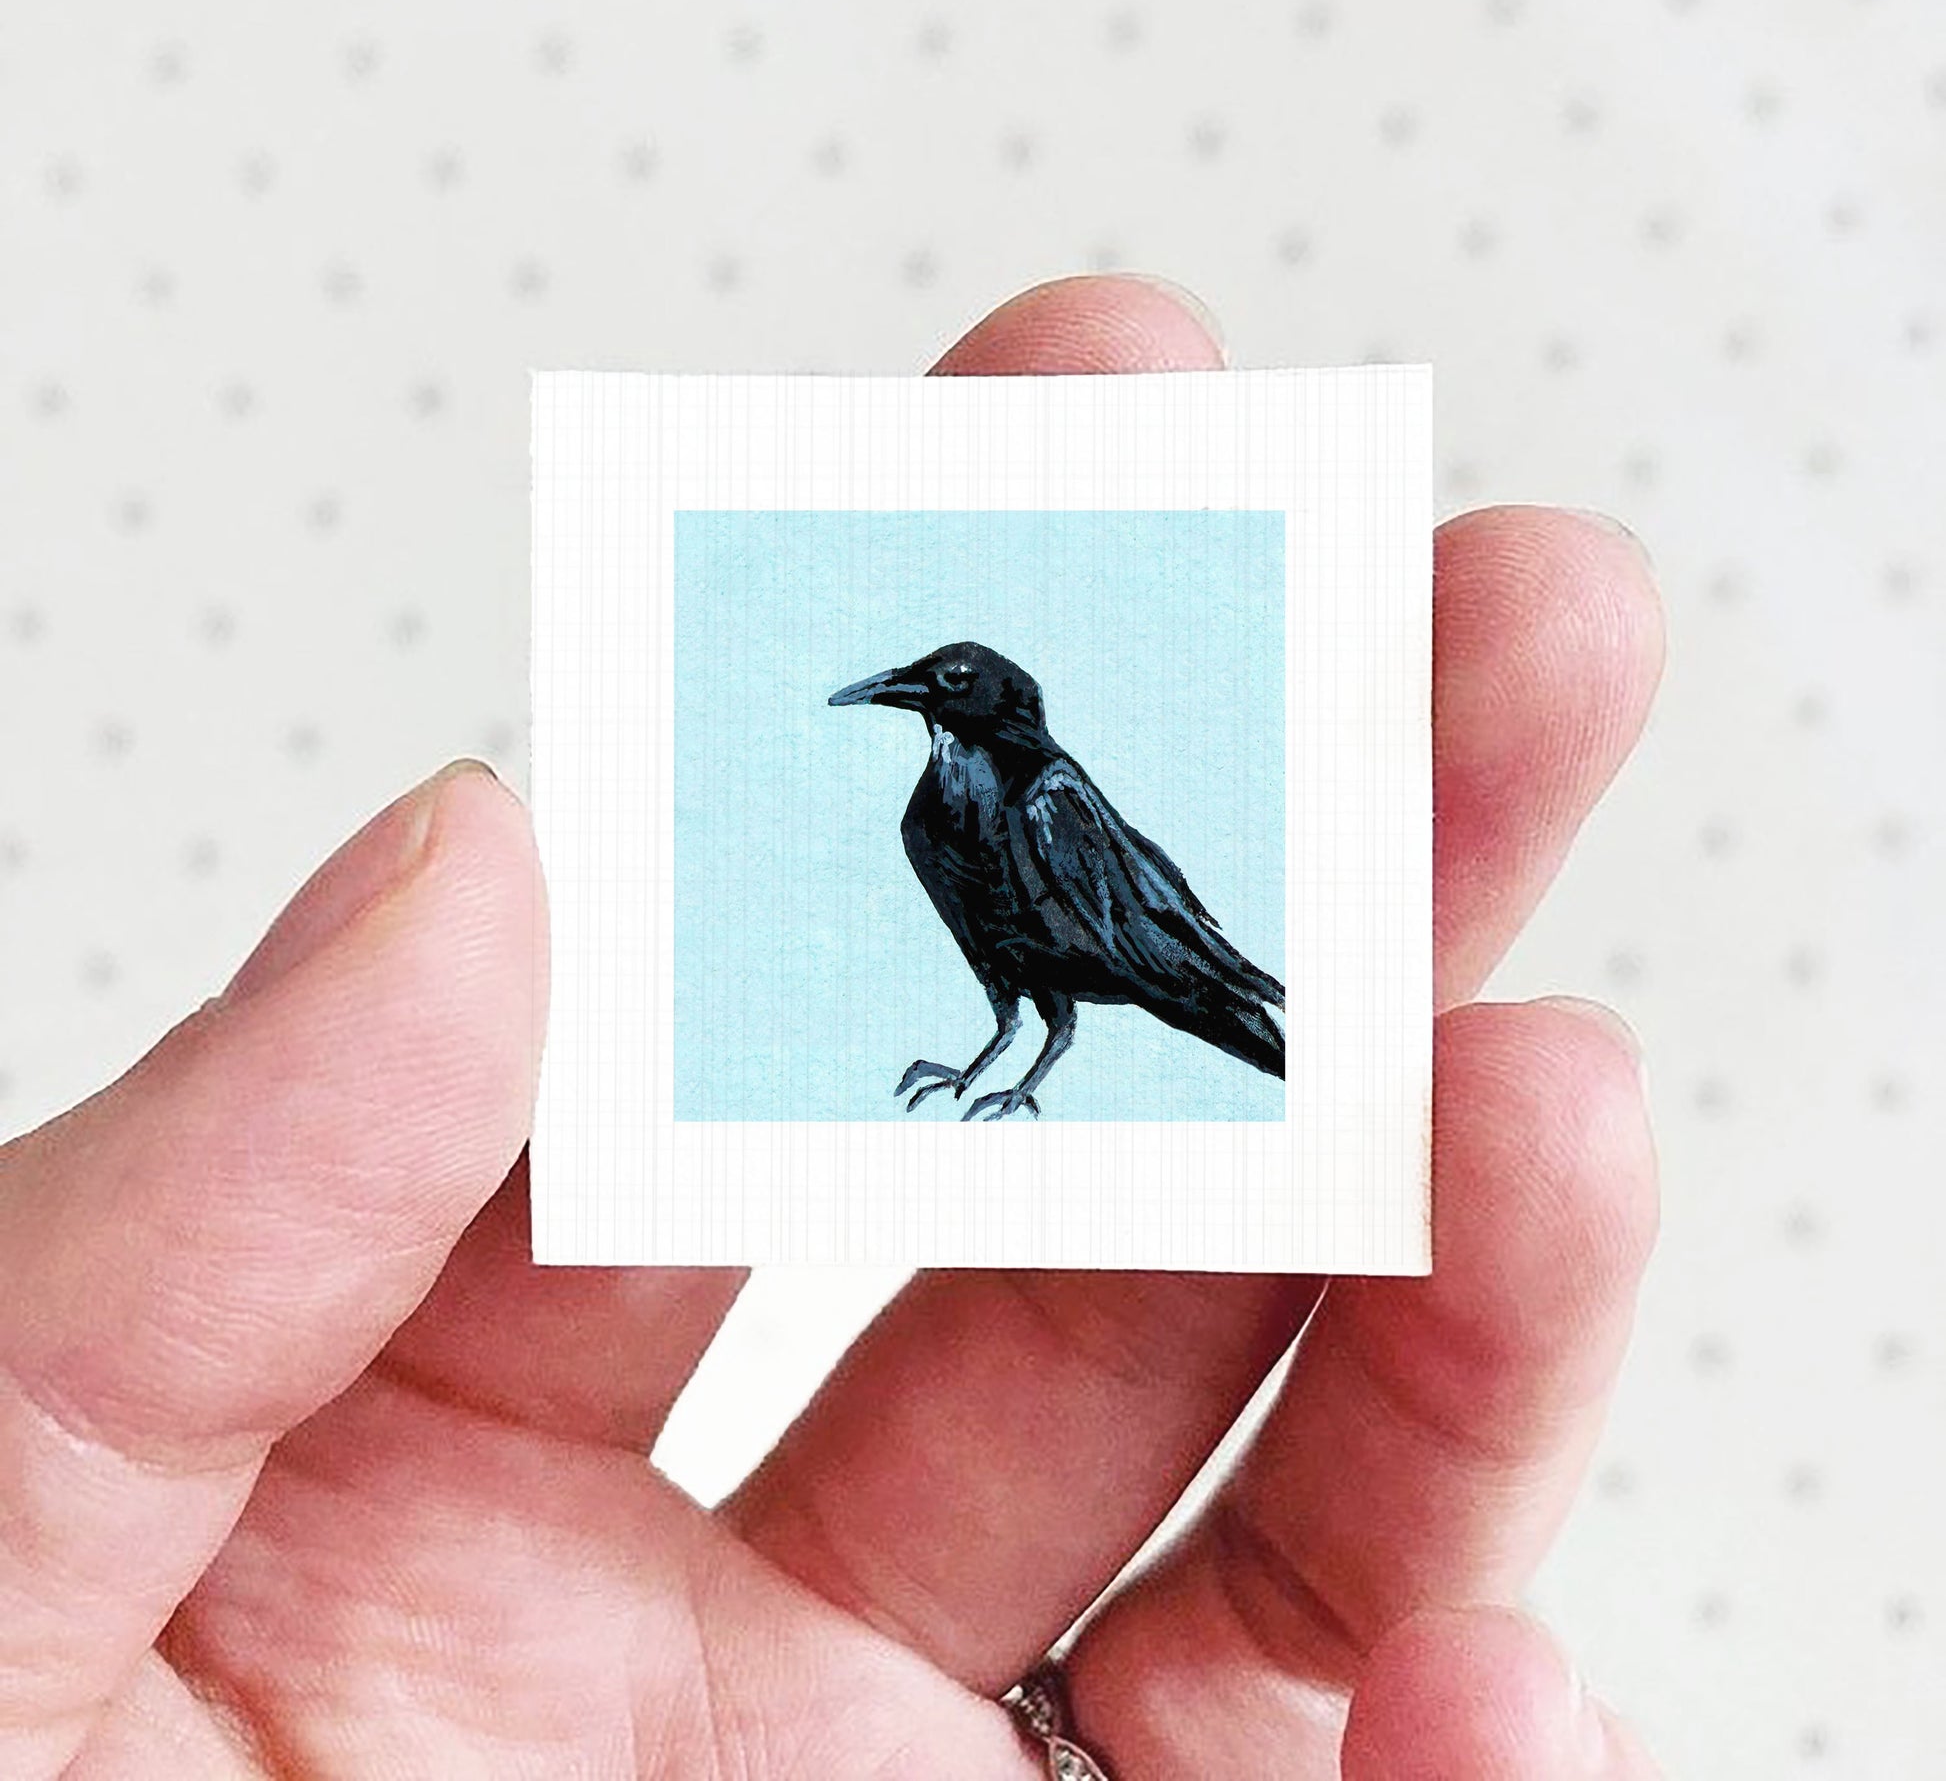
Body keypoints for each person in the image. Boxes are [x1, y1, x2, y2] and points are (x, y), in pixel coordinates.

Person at [0, 276, 1664, 1778]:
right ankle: (1010, 1070)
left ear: (983, 704)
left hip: (1168, 978)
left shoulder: (1034, 798)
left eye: (938, 686)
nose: (912, 699)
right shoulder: (932, 819)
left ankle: (1036, 1070)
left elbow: (1135, 940)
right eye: (917, 686)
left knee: (1456, 1085)